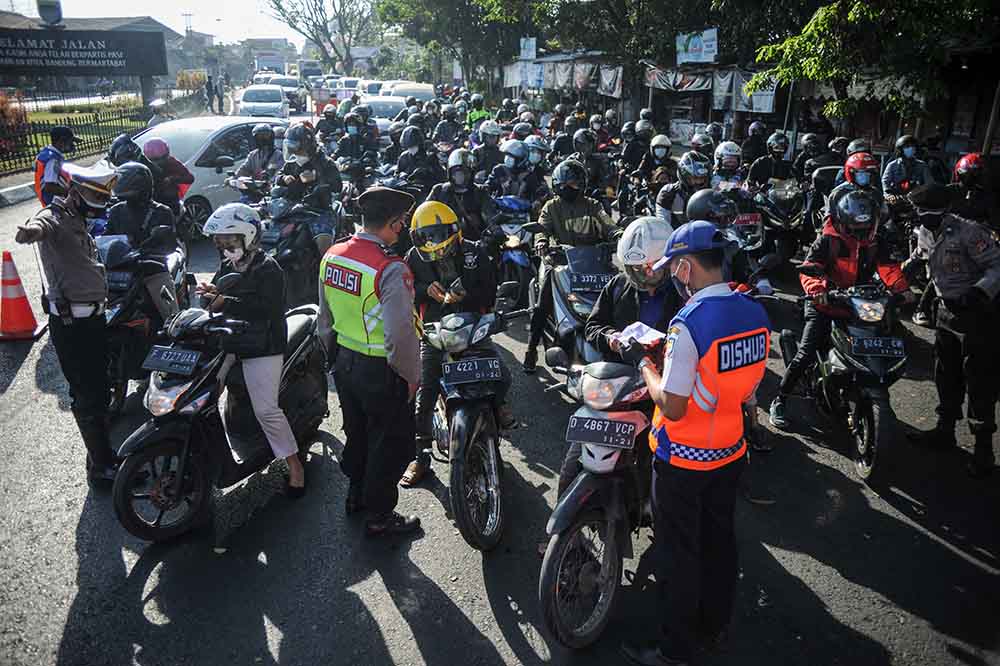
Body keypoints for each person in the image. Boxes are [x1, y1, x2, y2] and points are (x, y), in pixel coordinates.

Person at [620, 220, 769, 666]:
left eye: (674, 268)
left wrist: (647, 366)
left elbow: (675, 403)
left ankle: (675, 650)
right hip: (730, 451)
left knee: (678, 555)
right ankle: (714, 627)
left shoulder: (689, 324)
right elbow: (746, 391)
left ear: (686, 268)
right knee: (720, 543)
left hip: (683, 459)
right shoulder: (754, 311)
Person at [318, 187, 422, 536]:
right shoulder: (390, 268)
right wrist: (411, 377)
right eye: (402, 222)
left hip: (344, 364)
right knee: (388, 444)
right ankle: (380, 516)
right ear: (392, 223)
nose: (404, 228)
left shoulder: (333, 254)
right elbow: (399, 334)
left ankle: (355, 496)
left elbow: (324, 318)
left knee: (357, 433)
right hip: (382, 370)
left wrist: (333, 359)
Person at [554, 217, 681, 495]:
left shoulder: (682, 294)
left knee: (660, 469)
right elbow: (593, 326)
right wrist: (612, 339)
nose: (642, 279)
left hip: (659, 391)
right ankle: (560, 534)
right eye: (635, 271)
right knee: (572, 467)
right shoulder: (617, 285)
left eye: (649, 271)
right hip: (614, 387)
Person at [769, 190, 915, 428]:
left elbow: (889, 268)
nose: (860, 233)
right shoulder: (827, 240)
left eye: (865, 227)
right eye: (855, 228)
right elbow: (810, 267)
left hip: (862, 304)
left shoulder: (877, 240)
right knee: (806, 352)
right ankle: (781, 399)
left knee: (886, 342)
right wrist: (818, 290)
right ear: (841, 221)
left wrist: (901, 290)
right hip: (827, 303)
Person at [15, 164, 119, 485]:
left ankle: (102, 458)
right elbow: (39, 225)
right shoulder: (56, 217)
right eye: (91, 196)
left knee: (101, 391)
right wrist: (29, 232)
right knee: (87, 395)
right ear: (75, 192)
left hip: (93, 320)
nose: (95, 203)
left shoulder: (78, 219)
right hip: (73, 326)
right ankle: (101, 469)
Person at [196, 203, 306, 496]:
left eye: (229, 243)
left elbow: (266, 311)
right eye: (220, 244)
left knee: (266, 410)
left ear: (247, 238)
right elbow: (221, 295)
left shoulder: (269, 268)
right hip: (231, 337)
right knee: (201, 391)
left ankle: (295, 467)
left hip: (263, 342)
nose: (224, 250)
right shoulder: (229, 264)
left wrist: (223, 298)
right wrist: (210, 297)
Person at [401, 201, 508, 486]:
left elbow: (490, 289)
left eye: (438, 235)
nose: (433, 243)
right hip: (435, 331)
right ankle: (420, 457)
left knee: (502, 375)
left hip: (472, 325)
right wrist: (426, 290)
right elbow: (407, 291)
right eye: (426, 237)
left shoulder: (475, 251)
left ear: (453, 230)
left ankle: (497, 411)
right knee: (424, 393)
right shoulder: (412, 258)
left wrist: (468, 294)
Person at [908, 184, 1000, 477]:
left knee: (979, 380)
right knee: (945, 373)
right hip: (945, 312)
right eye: (919, 212)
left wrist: (978, 293)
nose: (922, 217)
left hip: (976, 315)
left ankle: (983, 450)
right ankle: (944, 430)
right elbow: (922, 255)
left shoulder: (970, 232)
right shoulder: (923, 230)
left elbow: (997, 267)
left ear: (943, 211)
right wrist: (907, 266)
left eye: (927, 212)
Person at [523, 159, 620, 371]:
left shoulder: (593, 206)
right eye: (566, 184)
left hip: (593, 264)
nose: (570, 188)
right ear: (557, 184)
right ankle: (531, 350)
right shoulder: (551, 206)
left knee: (619, 295)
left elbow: (608, 224)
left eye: (575, 183)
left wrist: (619, 235)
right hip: (559, 262)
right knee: (543, 304)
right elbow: (542, 228)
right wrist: (541, 242)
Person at [277, 122, 343, 256]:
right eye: (291, 148)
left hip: (318, 211)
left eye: (297, 148)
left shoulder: (325, 162)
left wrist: (317, 178)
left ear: (307, 146)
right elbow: (278, 177)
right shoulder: (291, 163)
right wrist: (284, 178)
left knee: (324, 248)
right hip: (291, 209)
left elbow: (337, 185)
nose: (294, 152)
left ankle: (325, 274)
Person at [427, 148, 496, 241]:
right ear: (450, 173)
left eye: (463, 172)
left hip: (475, 243)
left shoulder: (480, 191)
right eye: (456, 173)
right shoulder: (439, 191)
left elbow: (490, 216)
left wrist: (495, 231)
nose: (459, 176)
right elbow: (426, 212)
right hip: (444, 241)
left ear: (471, 173)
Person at [656, 150, 710, 230]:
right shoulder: (669, 193)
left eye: (702, 178)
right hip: (676, 239)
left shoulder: (712, 193)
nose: (699, 182)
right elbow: (663, 226)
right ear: (684, 175)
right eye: (695, 178)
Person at [141, 137, 195, 219]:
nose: (158, 162)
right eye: (154, 159)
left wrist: (171, 179)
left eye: (162, 158)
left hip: (169, 201)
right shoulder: (144, 164)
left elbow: (190, 178)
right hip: (149, 200)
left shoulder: (172, 162)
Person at [949, 152, 996, 228]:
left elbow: (992, 223)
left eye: (977, 173)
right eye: (971, 174)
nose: (975, 177)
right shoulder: (949, 192)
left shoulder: (986, 196)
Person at [397, 125, 446, 195]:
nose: (411, 149)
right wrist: (401, 175)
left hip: (425, 191)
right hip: (407, 191)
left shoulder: (430, 157)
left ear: (420, 144)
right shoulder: (403, 157)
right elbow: (396, 174)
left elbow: (441, 177)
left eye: (414, 146)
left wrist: (427, 171)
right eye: (409, 147)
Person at [34, 126, 75, 206]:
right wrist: (70, 193)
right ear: (61, 141)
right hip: (54, 201)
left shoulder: (47, 152)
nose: (72, 145)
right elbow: (50, 187)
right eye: (70, 142)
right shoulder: (53, 160)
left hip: (50, 199)